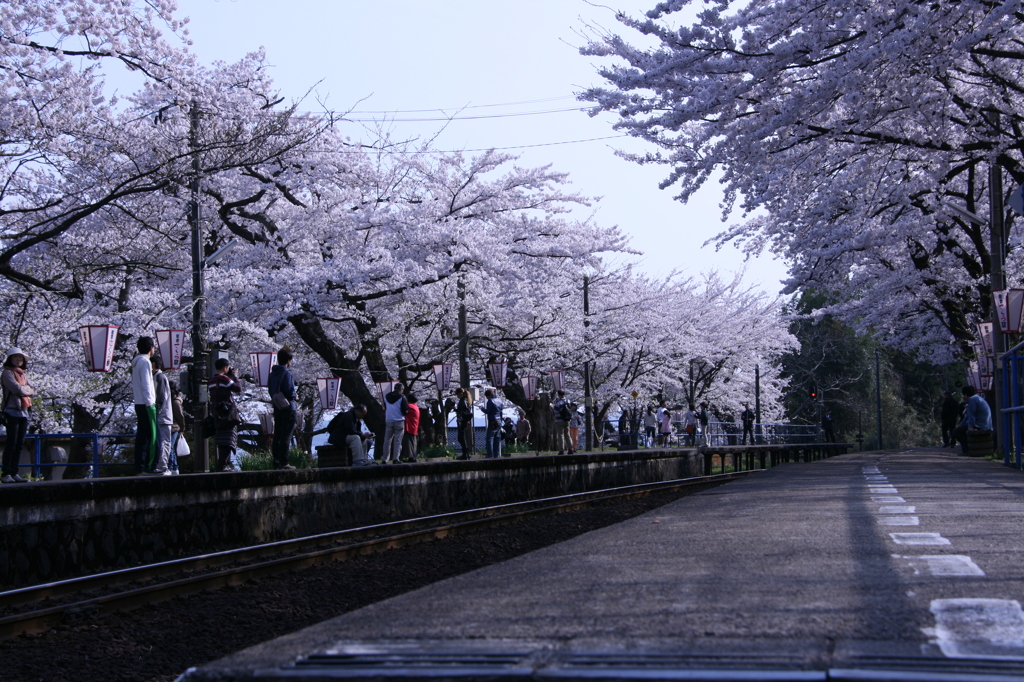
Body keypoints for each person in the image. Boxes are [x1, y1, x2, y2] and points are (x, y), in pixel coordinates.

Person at [1, 348, 33, 483]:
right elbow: (17, 389)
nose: (18, 360)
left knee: (20, 443)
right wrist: (26, 390)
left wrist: (25, 390)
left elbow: (33, 389)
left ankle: (14, 472)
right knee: (11, 443)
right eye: (15, 358)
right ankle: (6, 473)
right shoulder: (7, 373)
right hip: (11, 410)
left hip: (24, 411)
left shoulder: (23, 374)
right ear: (10, 359)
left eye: (20, 358)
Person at [208, 357, 242, 472]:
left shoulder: (212, 380)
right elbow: (238, 388)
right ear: (225, 368)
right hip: (227, 412)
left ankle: (222, 463)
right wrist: (235, 376)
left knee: (221, 437)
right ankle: (224, 464)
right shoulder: (224, 379)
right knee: (228, 437)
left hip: (217, 412)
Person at [267, 347, 297, 470]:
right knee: (286, 435)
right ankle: (284, 462)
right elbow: (290, 392)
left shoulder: (272, 374)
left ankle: (276, 461)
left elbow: (270, 390)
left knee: (278, 435)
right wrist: (295, 395)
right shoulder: (287, 373)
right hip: (288, 408)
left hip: (277, 407)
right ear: (289, 360)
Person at [131, 337, 157, 473]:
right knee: (151, 436)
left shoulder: (135, 362)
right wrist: (150, 402)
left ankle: (139, 466)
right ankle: (149, 465)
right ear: (150, 348)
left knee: (141, 437)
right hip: (147, 404)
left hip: (138, 403)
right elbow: (147, 383)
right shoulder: (145, 362)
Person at [146, 355, 173, 475]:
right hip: (160, 416)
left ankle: (162, 466)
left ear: (153, 364)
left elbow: (162, 397)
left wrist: (157, 412)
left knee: (164, 442)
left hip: (163, 417)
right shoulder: (155, 377)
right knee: (160, 441)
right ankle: (159, 465)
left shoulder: (160, 377)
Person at [953, 385, 993, 454]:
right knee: (961, 429)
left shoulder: (972, 400)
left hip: (980, 425)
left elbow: (972, 415)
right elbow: (968, 416)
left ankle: (967, 450)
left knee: (956, 432)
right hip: (985, 424)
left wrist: (970, 428)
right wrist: (961, 424)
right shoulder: (977, 398)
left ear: (965, 394)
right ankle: (967, 449)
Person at [382, 382, 408, 464]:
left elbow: (385, 407)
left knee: (387, 440)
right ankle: (395, 459)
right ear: (401, 390)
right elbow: (405, 410)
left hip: (389, 420)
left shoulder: (386, 396)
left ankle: (384, 459)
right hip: (399, 420)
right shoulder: (402, 397)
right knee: (397, 440)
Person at [169, 380, 186, 475]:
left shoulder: (174, 401)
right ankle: (173, 467)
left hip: (174, 426)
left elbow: (180, 416)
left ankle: (173, 467)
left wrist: (182, 428)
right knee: (170, 447)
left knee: (170, 447)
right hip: (173, 426)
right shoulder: (172, 400)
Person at [482, 388, 504, 459]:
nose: (486, 398)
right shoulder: (499, 400)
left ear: (488, 395)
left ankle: (490, 454)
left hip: (492, 420)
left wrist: (482, 409)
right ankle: (496, 455)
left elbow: (488, 411)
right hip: (499, 421)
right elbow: (501, 412)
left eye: (487, 396)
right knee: (497, 438)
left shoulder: (490, 401)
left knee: (489, 438)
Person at [551, 390, 573, 454]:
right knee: (567, 434)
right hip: (567, 420)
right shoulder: (568, 401)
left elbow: (555, 411)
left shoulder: (558, 402)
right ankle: (570, 449)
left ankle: (561, 450)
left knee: (560, 435)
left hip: (559, 420)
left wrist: (552, 407)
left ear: (558, 395)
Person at [454, 387, 474, 459]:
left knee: (461, 438)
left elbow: (463, 411)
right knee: (461, 437)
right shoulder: (467, 400)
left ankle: (465, 454)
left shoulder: (462, 401)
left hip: (462, 421)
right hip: (464, 421)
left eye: (457, 394)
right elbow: (465, 410)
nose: (457, 396)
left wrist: (458, 411)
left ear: (460, 394)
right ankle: (466, 454)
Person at [403, 393, 421, 462]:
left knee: (409, 442)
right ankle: (413, 456)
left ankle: (411, 457)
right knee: (413, 442)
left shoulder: (409, 406)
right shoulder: (415, 406)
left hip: (409, 426)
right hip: (414, 426)